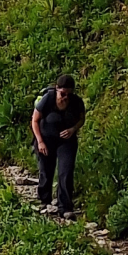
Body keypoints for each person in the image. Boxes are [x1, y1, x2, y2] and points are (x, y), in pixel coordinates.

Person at [31, 73, 86, 215]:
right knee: (46, 170)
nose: (65, 97)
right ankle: (44, 200)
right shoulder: (47, 99)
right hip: (45, 139)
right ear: (57, 89)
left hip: (66, 141)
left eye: (68, 94)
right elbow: (35, 120)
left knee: (65, 171)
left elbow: (81, 119)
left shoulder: (76, 102)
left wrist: (73, 129)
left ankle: (65, 207)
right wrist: (40, 141)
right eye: (62, 93)